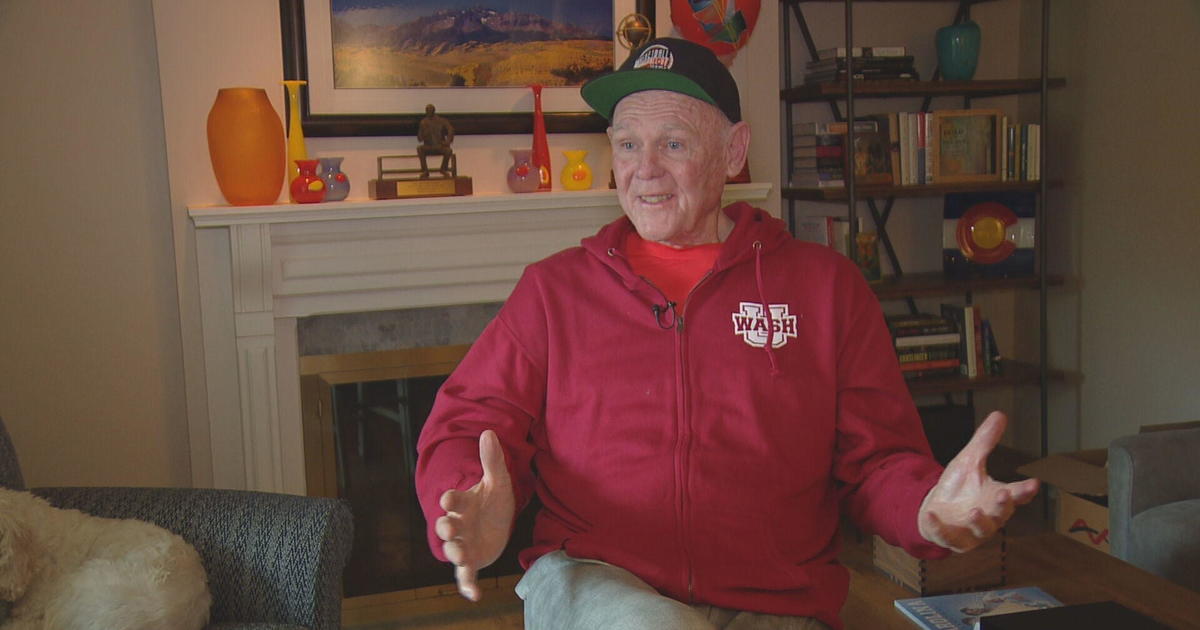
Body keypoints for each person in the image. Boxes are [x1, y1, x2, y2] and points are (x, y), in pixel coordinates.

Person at [415, 37, 1038, 630]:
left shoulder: (826, 289)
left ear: (734, 150)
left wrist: (927, 509)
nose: (644, 170)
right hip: (596, 584)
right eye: (627, 145)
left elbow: (877, 461)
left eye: (674, 144)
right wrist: (469, 496)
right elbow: (470, 419)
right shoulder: (553, 292)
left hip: (777, 602)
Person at [417, 103, 454, 178]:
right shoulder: (423, 122)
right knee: (420, 149)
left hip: (440, 145)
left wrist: (448, 141)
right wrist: (423, 133)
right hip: (429, 146)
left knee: (448, 151)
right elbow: (419, 138)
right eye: (427, 111)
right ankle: (425, 171)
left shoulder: (441, 120)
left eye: (430, 111)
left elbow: (450, 129)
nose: (428, 112)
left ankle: (443, 169)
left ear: (434, 111)